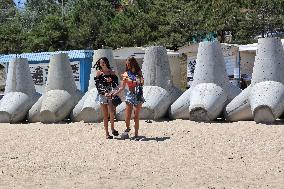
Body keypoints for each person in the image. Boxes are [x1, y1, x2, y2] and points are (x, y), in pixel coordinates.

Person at [113, 57, 145, 140]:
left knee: (136, 116)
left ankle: (136, 134)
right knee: (127, 116)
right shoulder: (126, 73)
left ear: (132, 63)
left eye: (128, 64)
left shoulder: (139, 72)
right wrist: (115, 93)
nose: (127, 65)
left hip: (138, 94)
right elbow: (122, 87)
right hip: (130, 95)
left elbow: (141, 83)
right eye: (126, 64)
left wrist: (131, 80)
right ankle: (127, 129)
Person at [94, 57, 119, 139]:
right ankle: (107, 133)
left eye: (104, 62)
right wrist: (104, 93)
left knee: (111, 112)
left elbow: (116, 83)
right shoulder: (99, 73)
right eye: (101, 62)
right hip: (103, 95)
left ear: (106, 62)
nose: (102, 63)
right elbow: (98, 85)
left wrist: (111, 81)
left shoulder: (112, 72)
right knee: (105, 115)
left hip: (110, 94)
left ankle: (112, 128)